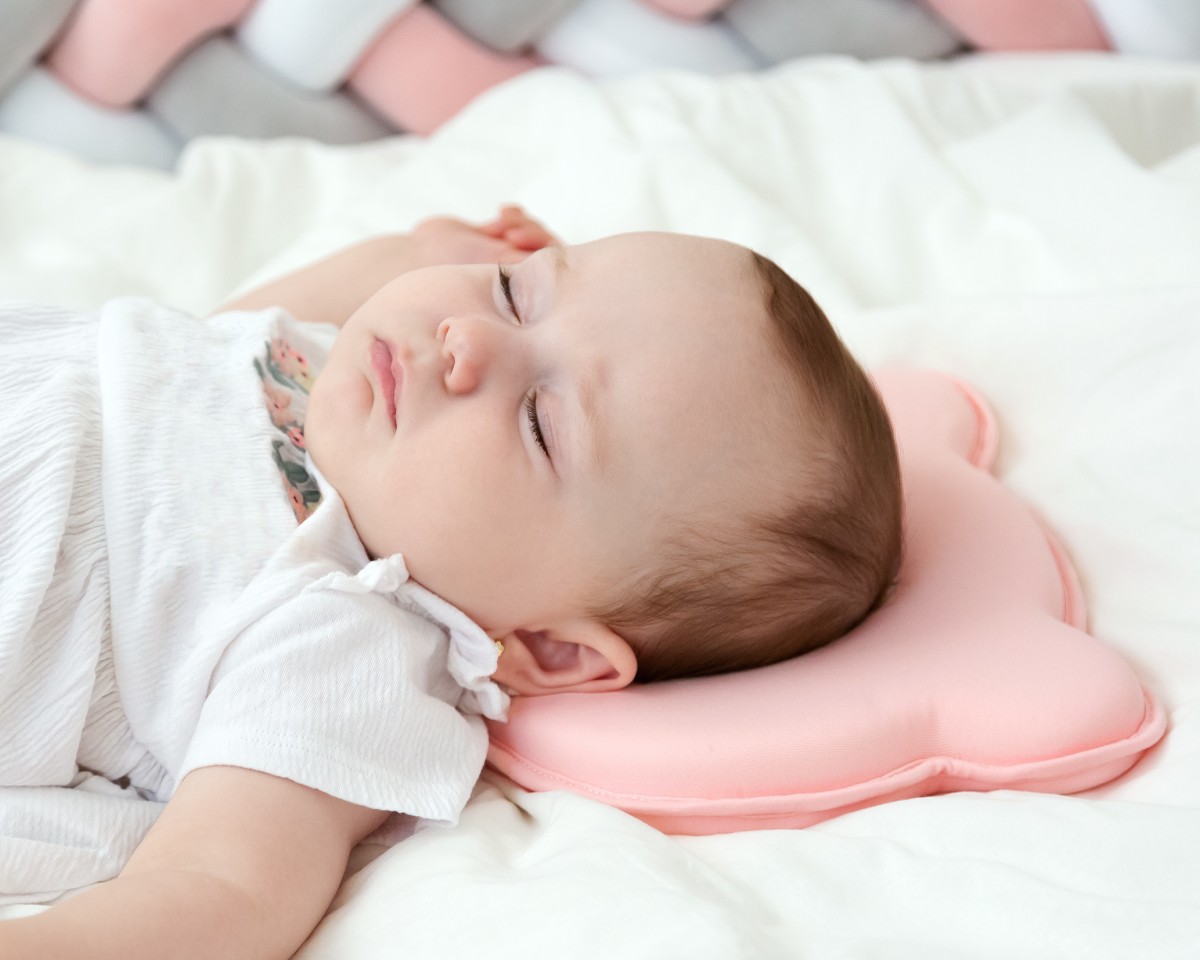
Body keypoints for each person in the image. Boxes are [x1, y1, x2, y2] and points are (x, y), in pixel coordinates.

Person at [0, 206, 901, 959]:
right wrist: (419, 251)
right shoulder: (339, 375)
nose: (466, 337)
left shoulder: (350, 639)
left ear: (551, 647)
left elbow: (223, 890)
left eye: (540, 422)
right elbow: (190, 351)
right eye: (518, 293)